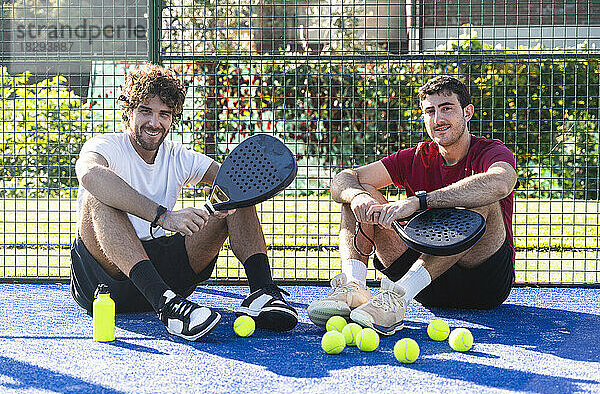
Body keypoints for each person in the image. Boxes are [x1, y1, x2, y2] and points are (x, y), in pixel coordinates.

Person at [71, 64, 297, 341]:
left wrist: (229, 196)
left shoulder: (177, 156)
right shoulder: (106, 146)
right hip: (106, 281)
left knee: (235, 187)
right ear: (128, 112)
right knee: (97, 197)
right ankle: (167, 306)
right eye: (145, 111)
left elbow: (237, 176)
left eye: (163, 114)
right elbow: (90, 174)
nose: (154, 123)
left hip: (168, 274)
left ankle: (263, 292)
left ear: (171, 119)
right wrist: (164, 217)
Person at [308, 75, 517, 336]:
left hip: (484, 283)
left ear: (467, 112)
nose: (438, 119)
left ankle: (397, 297)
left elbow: (501, 183)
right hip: (425, 284)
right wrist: (358, 197)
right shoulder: (416, 156)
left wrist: (420, 201)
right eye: (430, 111)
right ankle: (354, 289)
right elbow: (343, 179)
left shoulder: (490, 151)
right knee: (360, 192)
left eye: (447, 108)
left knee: (483, 196)